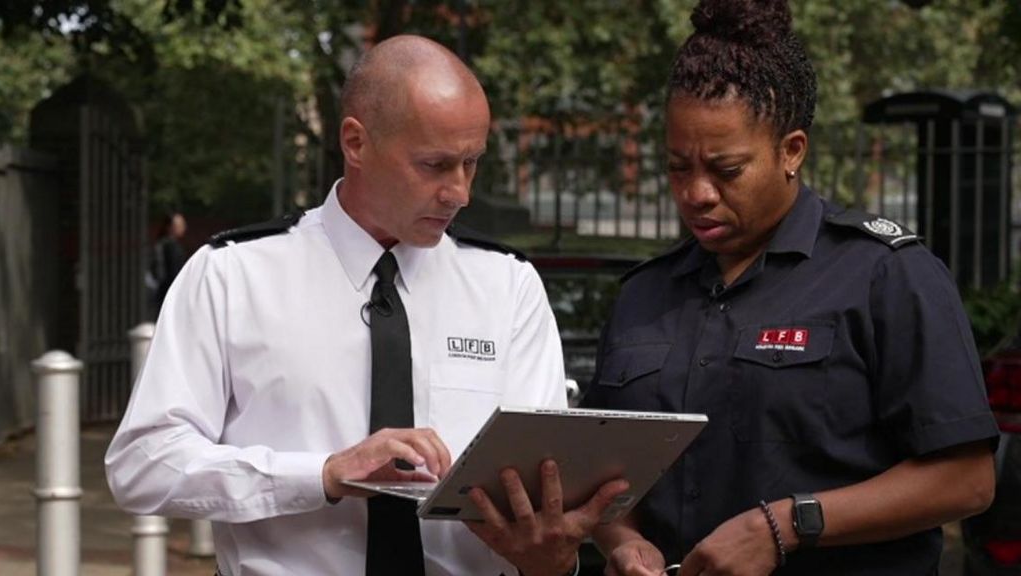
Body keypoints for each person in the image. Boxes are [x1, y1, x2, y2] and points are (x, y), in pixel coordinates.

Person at [106, 35, 626, 576]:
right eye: (434, 165)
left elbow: (541, 490)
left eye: (472, 163)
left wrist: (550, 557)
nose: (460, 192)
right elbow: (142, 465)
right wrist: (324, 474)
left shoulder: (507, 286)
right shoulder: (234, 275)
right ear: (355, 143)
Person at [582, 1, 999, 575]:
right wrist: (621, 542)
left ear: (791, 151)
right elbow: (606, 478)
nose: (696, 192)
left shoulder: (885, 276)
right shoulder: (643, 296)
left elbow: (967, 480)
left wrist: (785, 526)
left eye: (725, 170)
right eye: (679, 167)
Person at [149, 210, 188, 315]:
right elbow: (174, 272)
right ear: (169, 227)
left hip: (162, 292)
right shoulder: (171, 246)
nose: (184, 227)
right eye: (180, 224)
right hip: (171, 292)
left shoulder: (162, 243)